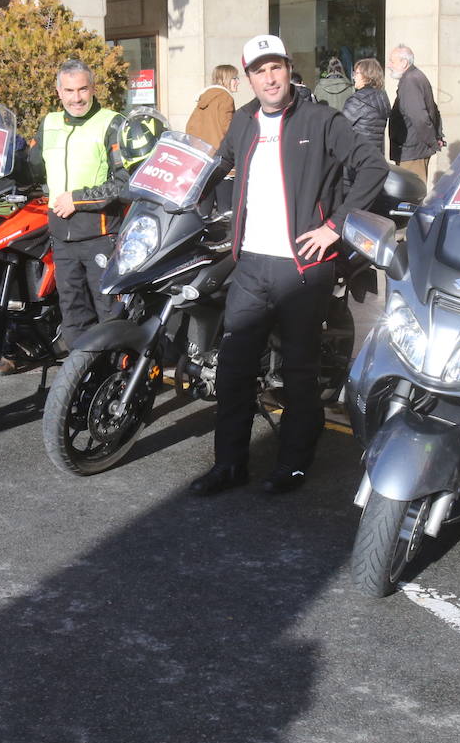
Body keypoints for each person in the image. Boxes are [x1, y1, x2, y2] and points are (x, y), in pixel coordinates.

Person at [189, 34, 387, 497]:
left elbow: (372, 166)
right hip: (252, 265)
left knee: (299, 371)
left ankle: (294, 464)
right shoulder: (242, 120)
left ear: (287, 69)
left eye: (276, 67)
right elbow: (217, 165)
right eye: (260, 70)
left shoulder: (320, 119)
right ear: (250, 77)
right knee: (235, 369)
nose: (269, 77)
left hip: (303, 265)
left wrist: (335, 226)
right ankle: (230, 464)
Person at [23, 59, 128, 349]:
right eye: (69, 90)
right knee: (72, 311)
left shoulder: (112, 122)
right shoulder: (50, 123)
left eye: (83, 89)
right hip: (61, 235)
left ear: (93, 88)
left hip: (101, 235)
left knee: (109, 311)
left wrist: (78, 199)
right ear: (58, 92)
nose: (76, 98)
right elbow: (31, 169)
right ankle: (81, 380)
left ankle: (118, 379)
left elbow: (124, 183)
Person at [387, 44, 443, 183]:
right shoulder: (415, 77)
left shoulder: (410, 81)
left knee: (411, 195)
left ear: (404, 62)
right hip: (413, 148)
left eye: (392, 61)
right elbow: (432, 109)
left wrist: (432, 141)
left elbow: (420, 117)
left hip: (413, 151)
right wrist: (436, 136)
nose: (389, 65)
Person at [341, 58, 390, 152]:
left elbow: (340, 127)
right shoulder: (382, 97)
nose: (354, 77)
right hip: (376, 155)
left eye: (357, 73)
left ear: (367, 75)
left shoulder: (358, 99)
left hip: (358, 155)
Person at [185, 63, 239, 150]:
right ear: (225, 79)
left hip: (201, 151)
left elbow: (190, 126)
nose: (238, 82)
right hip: (218, 154)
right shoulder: (225, 97)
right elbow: (229, 129)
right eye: (235, 78)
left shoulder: (206, 96)